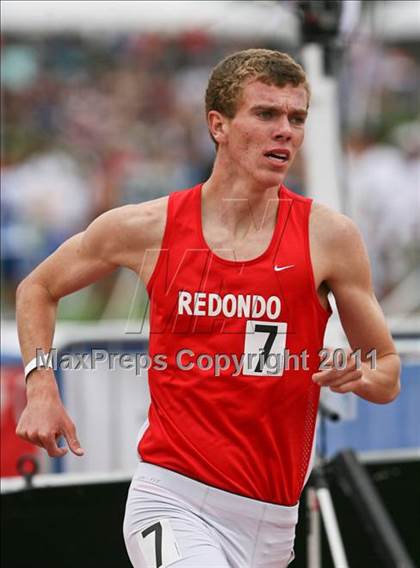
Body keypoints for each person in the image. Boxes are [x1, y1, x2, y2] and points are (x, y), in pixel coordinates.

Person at [16, 49, 400, 568]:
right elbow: (37, 287)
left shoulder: (329, 236)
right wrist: (40, 385)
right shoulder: (148, 226)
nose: (285, 130)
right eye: (266, 114)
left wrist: (360, 374)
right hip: (171, 499)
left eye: (297, 117)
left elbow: (388, 370)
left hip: (272, 522)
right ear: (217, 125)